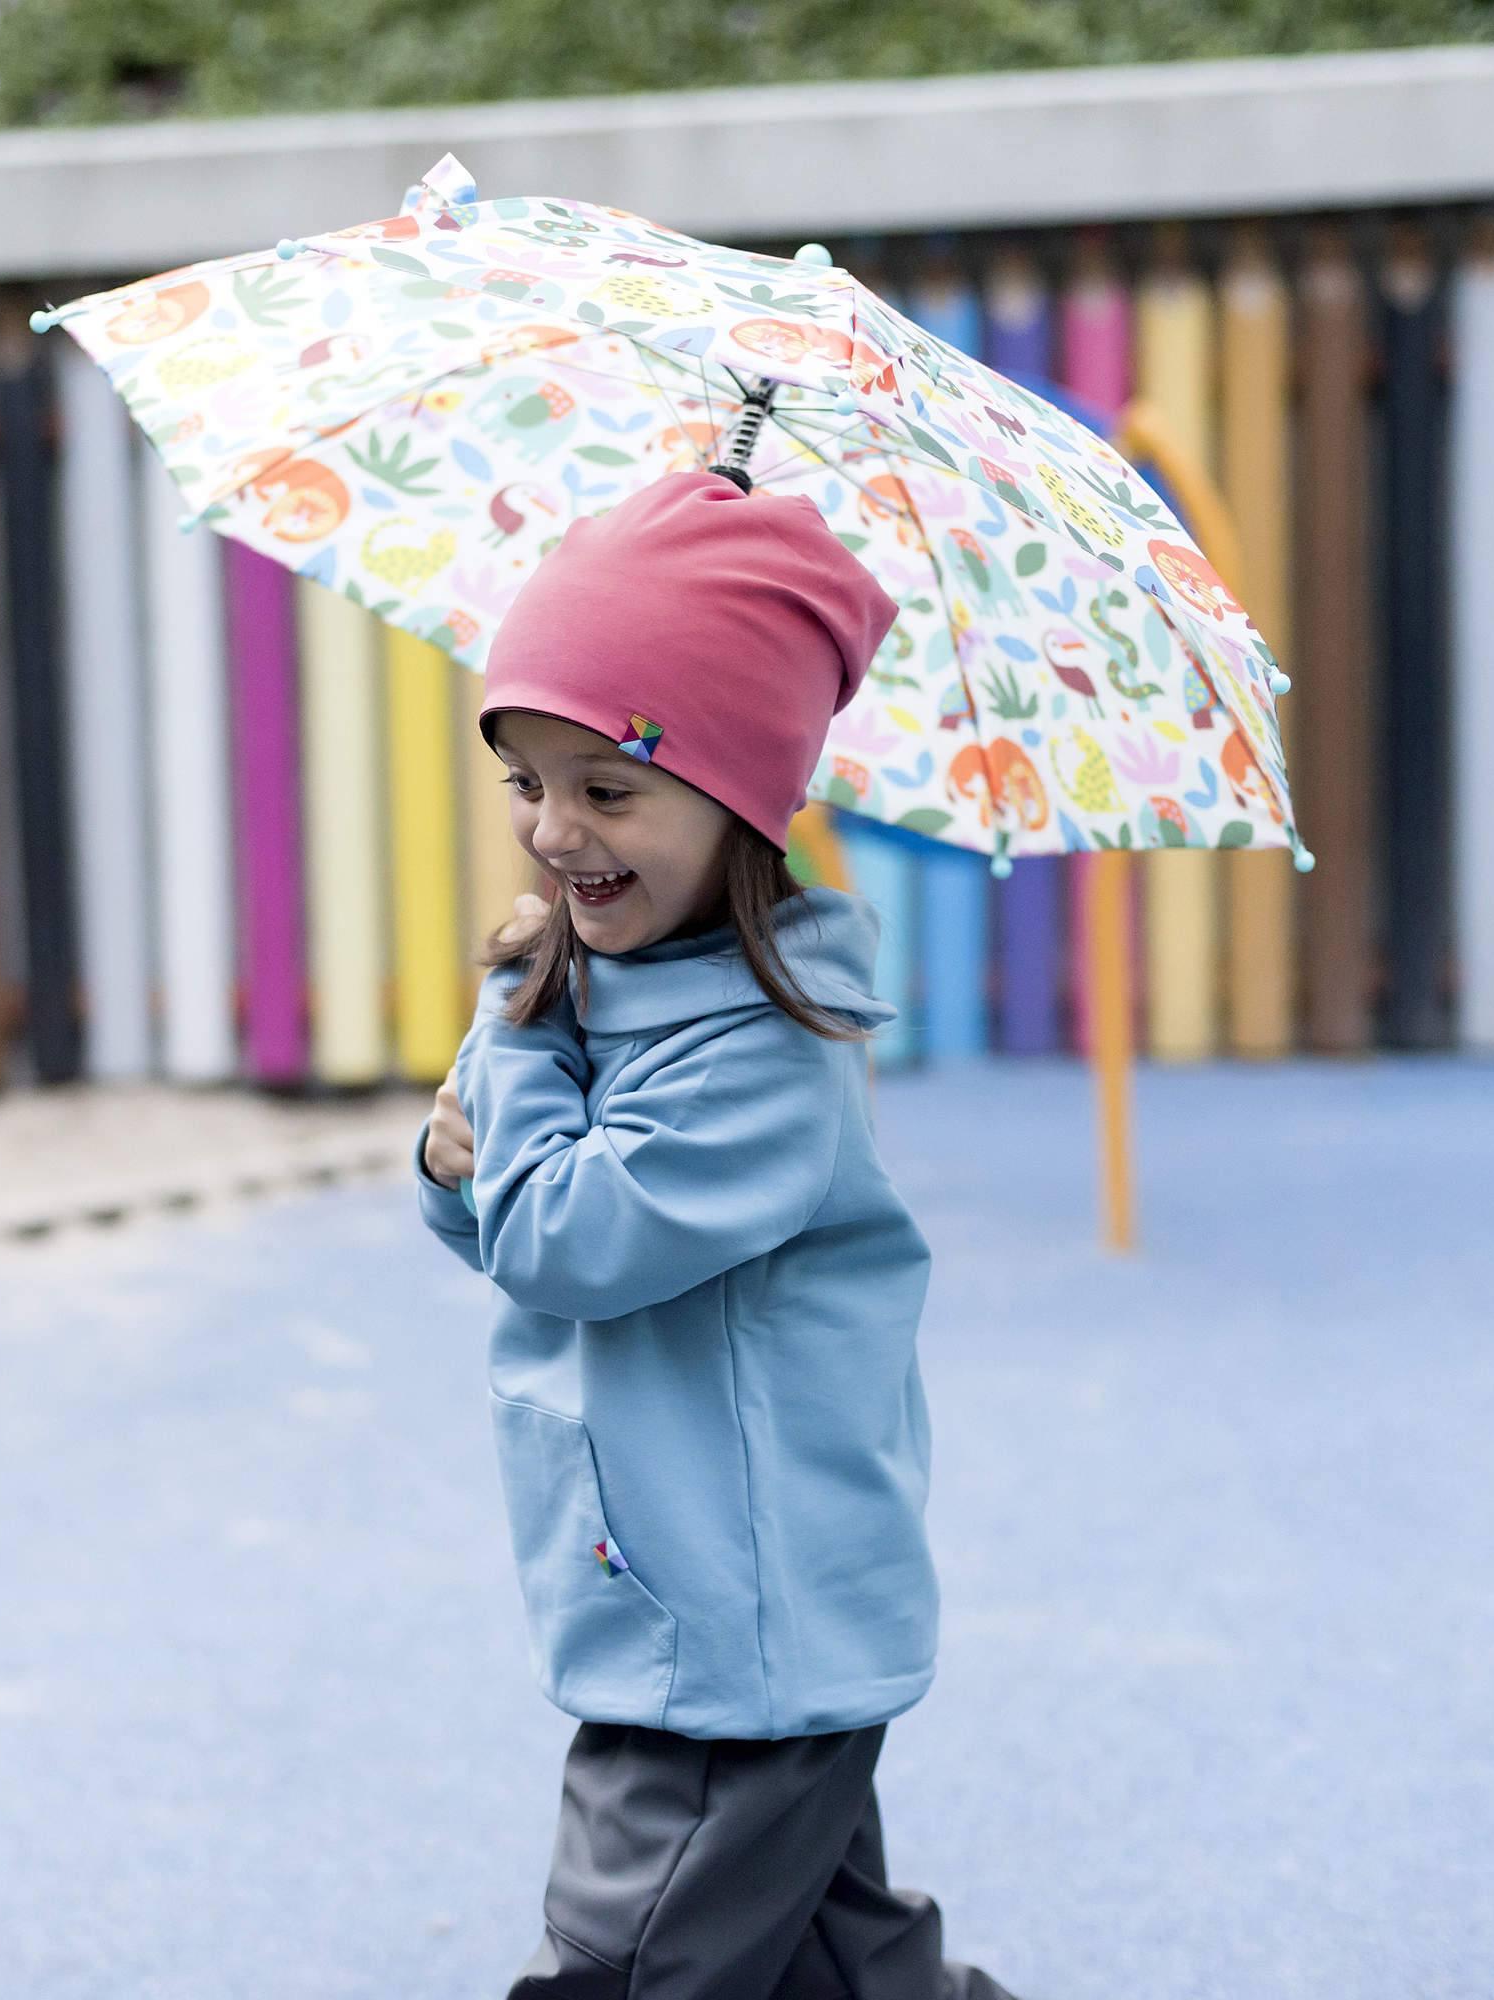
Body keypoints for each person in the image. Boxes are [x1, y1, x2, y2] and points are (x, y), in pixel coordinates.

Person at [412, 469, 1021, 1999]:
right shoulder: (616, 994)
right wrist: (451, 1156)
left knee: (627, 1966)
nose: (555, 832)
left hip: (731, 1635)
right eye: (528, 783)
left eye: (608, 790)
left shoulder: (766, 1053)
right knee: (843, 1971)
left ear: (740, 794)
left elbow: (557, 1239)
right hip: (689, 1586)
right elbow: (498, 1204)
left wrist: (512, 1032)